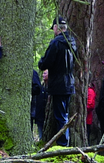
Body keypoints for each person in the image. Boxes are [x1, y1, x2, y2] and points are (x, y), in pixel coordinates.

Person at [38, 16, 76, 146]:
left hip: (59, 84)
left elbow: (47, 61)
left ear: (56, 28)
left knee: (61, 116)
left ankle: (63, 144)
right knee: (63, 114)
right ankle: (64, 141)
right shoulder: (72, 42)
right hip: (69, 84)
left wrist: (41, 63)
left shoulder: (56, 43)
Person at [32, 69, 49, 140]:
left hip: (46, 114)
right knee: (40, 129)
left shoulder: (49, 88)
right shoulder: (41, 87)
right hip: (39, 115)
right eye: (43, 74)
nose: (43, 75)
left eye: (45, 74)